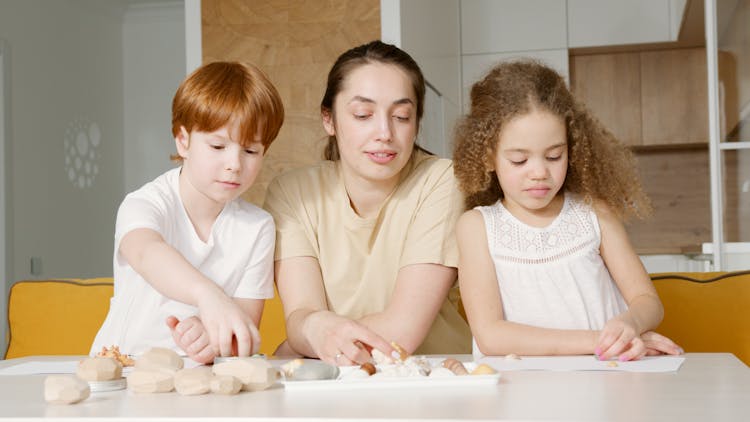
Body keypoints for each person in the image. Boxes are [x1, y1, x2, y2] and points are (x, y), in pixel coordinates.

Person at [453, 60, 683, 361]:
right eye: (519, 160)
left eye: (553, 156)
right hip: (523, 393)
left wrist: (630, 323)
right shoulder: (477, 227)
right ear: (487, 158)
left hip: (607, 380)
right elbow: (491, 336)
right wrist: (602, 341)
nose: (539, 172)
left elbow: (647, 301)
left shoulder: (593, 212)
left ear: (571, 150)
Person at [263, 40, 472, 365]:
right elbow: (302, 313)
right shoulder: (292, 192)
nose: (385, 132)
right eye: (363, 114)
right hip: (335, 386)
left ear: (417, 123)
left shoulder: (443, 180)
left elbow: (402, 331)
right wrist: (306, 330)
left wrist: (301, 343)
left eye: (402, 116)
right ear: (329, 119)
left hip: (434, 379)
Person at [90, 61, 285, 363]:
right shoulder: (145, 203)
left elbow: (243, 328)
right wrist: (209, 297)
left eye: (250, 151)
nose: (234, 164)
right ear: (183, 141)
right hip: (124, 368)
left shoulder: (258, 227)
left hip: (201, 379)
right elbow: (145, 252)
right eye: (218, 146)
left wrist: (211, 337)